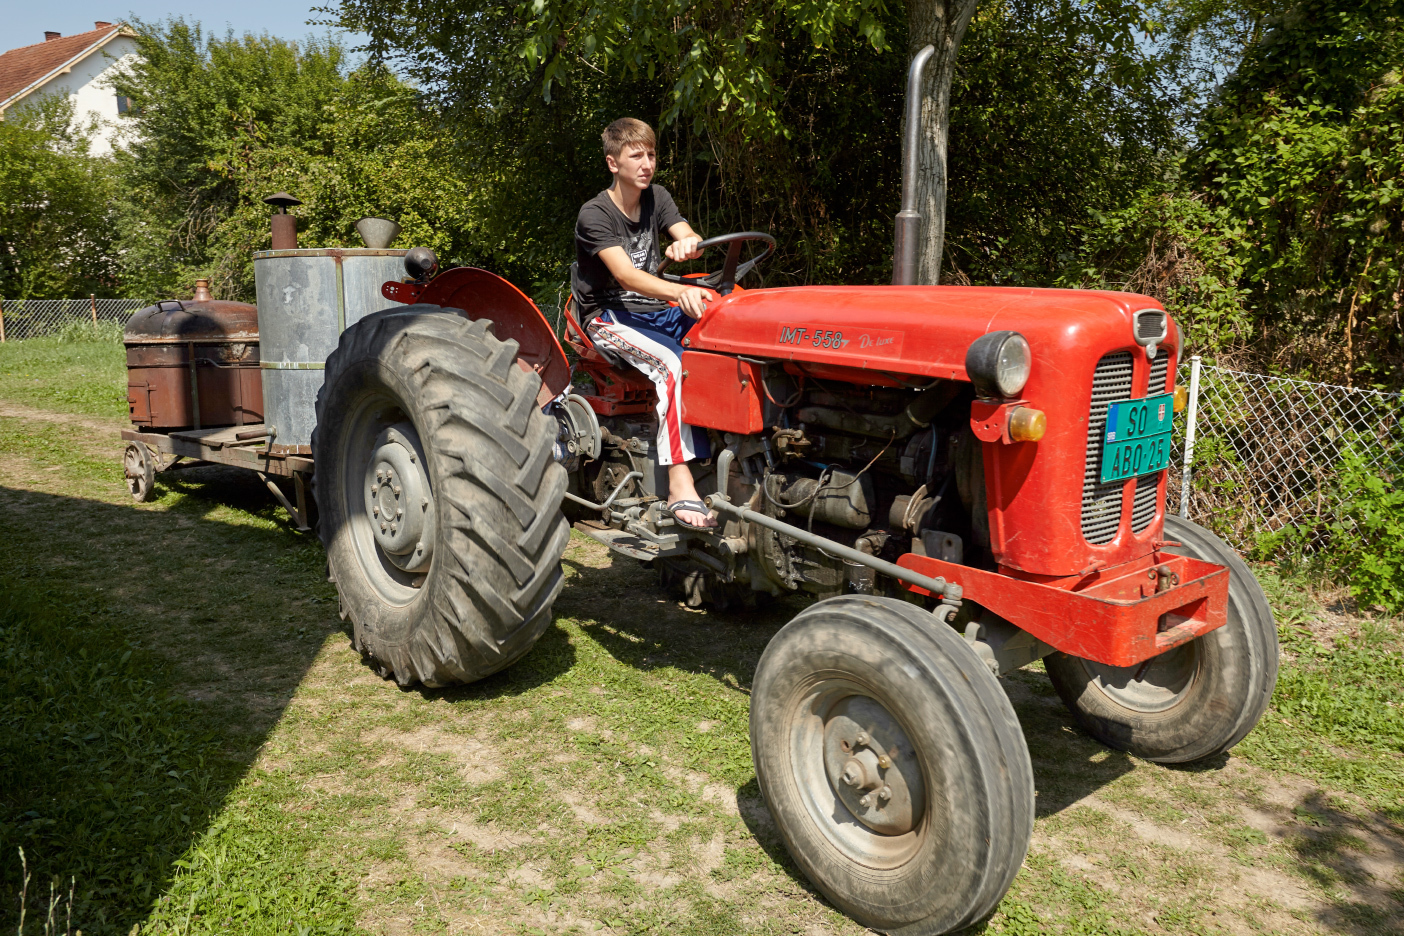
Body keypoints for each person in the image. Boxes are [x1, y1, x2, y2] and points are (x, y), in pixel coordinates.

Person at [573, 118, 718, 530]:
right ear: (612, 163)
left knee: (723, 334)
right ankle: (679, 482)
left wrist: (687, 240)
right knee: (672, 364)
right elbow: (628, 277)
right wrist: (677, 293)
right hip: (608, 315)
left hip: (653, 310)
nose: (646, 163)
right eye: (636, 155)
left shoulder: (658, 197)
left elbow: (683, 231)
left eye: (651, 154)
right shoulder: (594, 214)